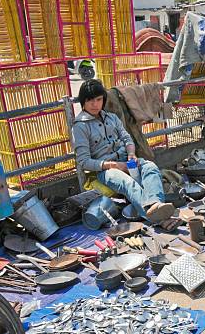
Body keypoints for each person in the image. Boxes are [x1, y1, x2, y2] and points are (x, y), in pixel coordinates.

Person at [72, 80, 179, 229]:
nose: (95, 104)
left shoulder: (112, 118)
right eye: (90, 100)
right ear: (83, 101)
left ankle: (155, 205)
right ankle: (158, 218)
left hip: (125, 160)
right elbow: (84, 161)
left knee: (150, 167)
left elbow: (127, 138)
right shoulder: (80, 127)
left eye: (98, 99)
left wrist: (131, 154)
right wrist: (114, 165)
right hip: (106, 170)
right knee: (128, 183)